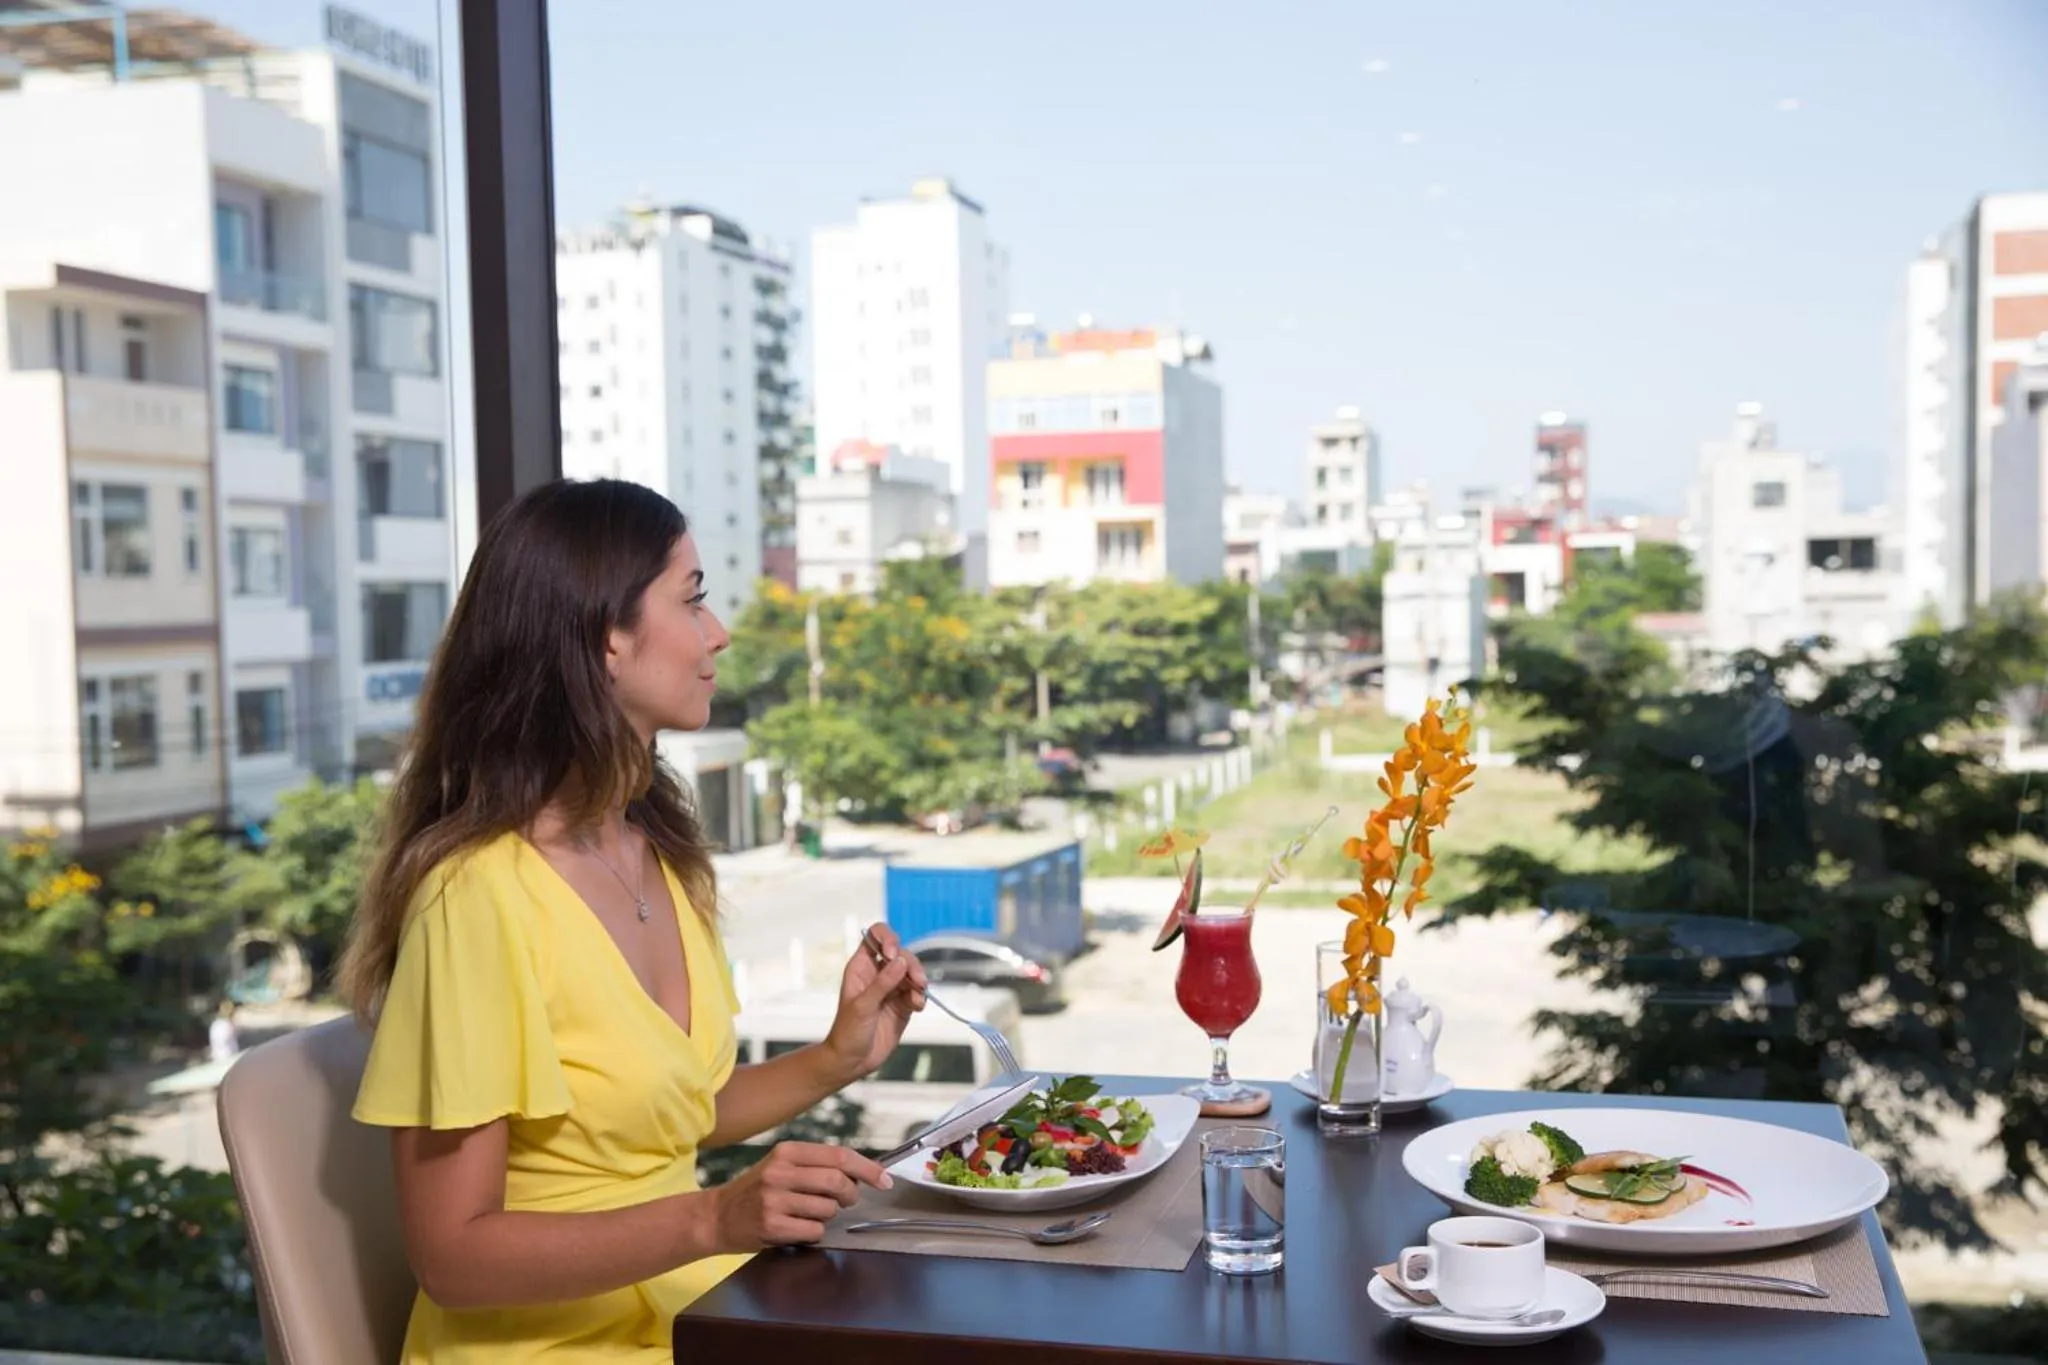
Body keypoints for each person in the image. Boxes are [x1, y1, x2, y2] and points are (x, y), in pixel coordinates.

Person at [337, 479, 928, 1363]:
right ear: (607, 637)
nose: (717, 632)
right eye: (691, 598)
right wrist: (714, 1215)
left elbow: (661, 1121)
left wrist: (838, 1055)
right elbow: (453, 1255)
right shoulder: (476, 898)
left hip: (683, 1321)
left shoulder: (660, 850)